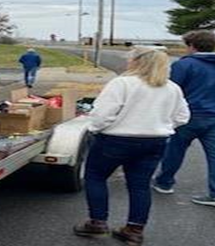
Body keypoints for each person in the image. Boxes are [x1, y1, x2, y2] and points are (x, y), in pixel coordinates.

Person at [73, 47, 190, 246]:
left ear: (138, 61)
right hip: (154, 141)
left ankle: (97, 222)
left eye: (130, 59)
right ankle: (134, 230)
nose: (128, 62)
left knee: (96, 177)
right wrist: (159, 125)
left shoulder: (122, 83)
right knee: (140, 185)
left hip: (115, 139)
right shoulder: (172, 87)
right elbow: (183, 117)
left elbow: (102, 115)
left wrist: (94, 129)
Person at [153, 30, 215, 208]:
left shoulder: (186, 65)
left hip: (189, 114)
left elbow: (172, 90)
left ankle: (165, 182)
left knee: (175, 149)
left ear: (192, 46)